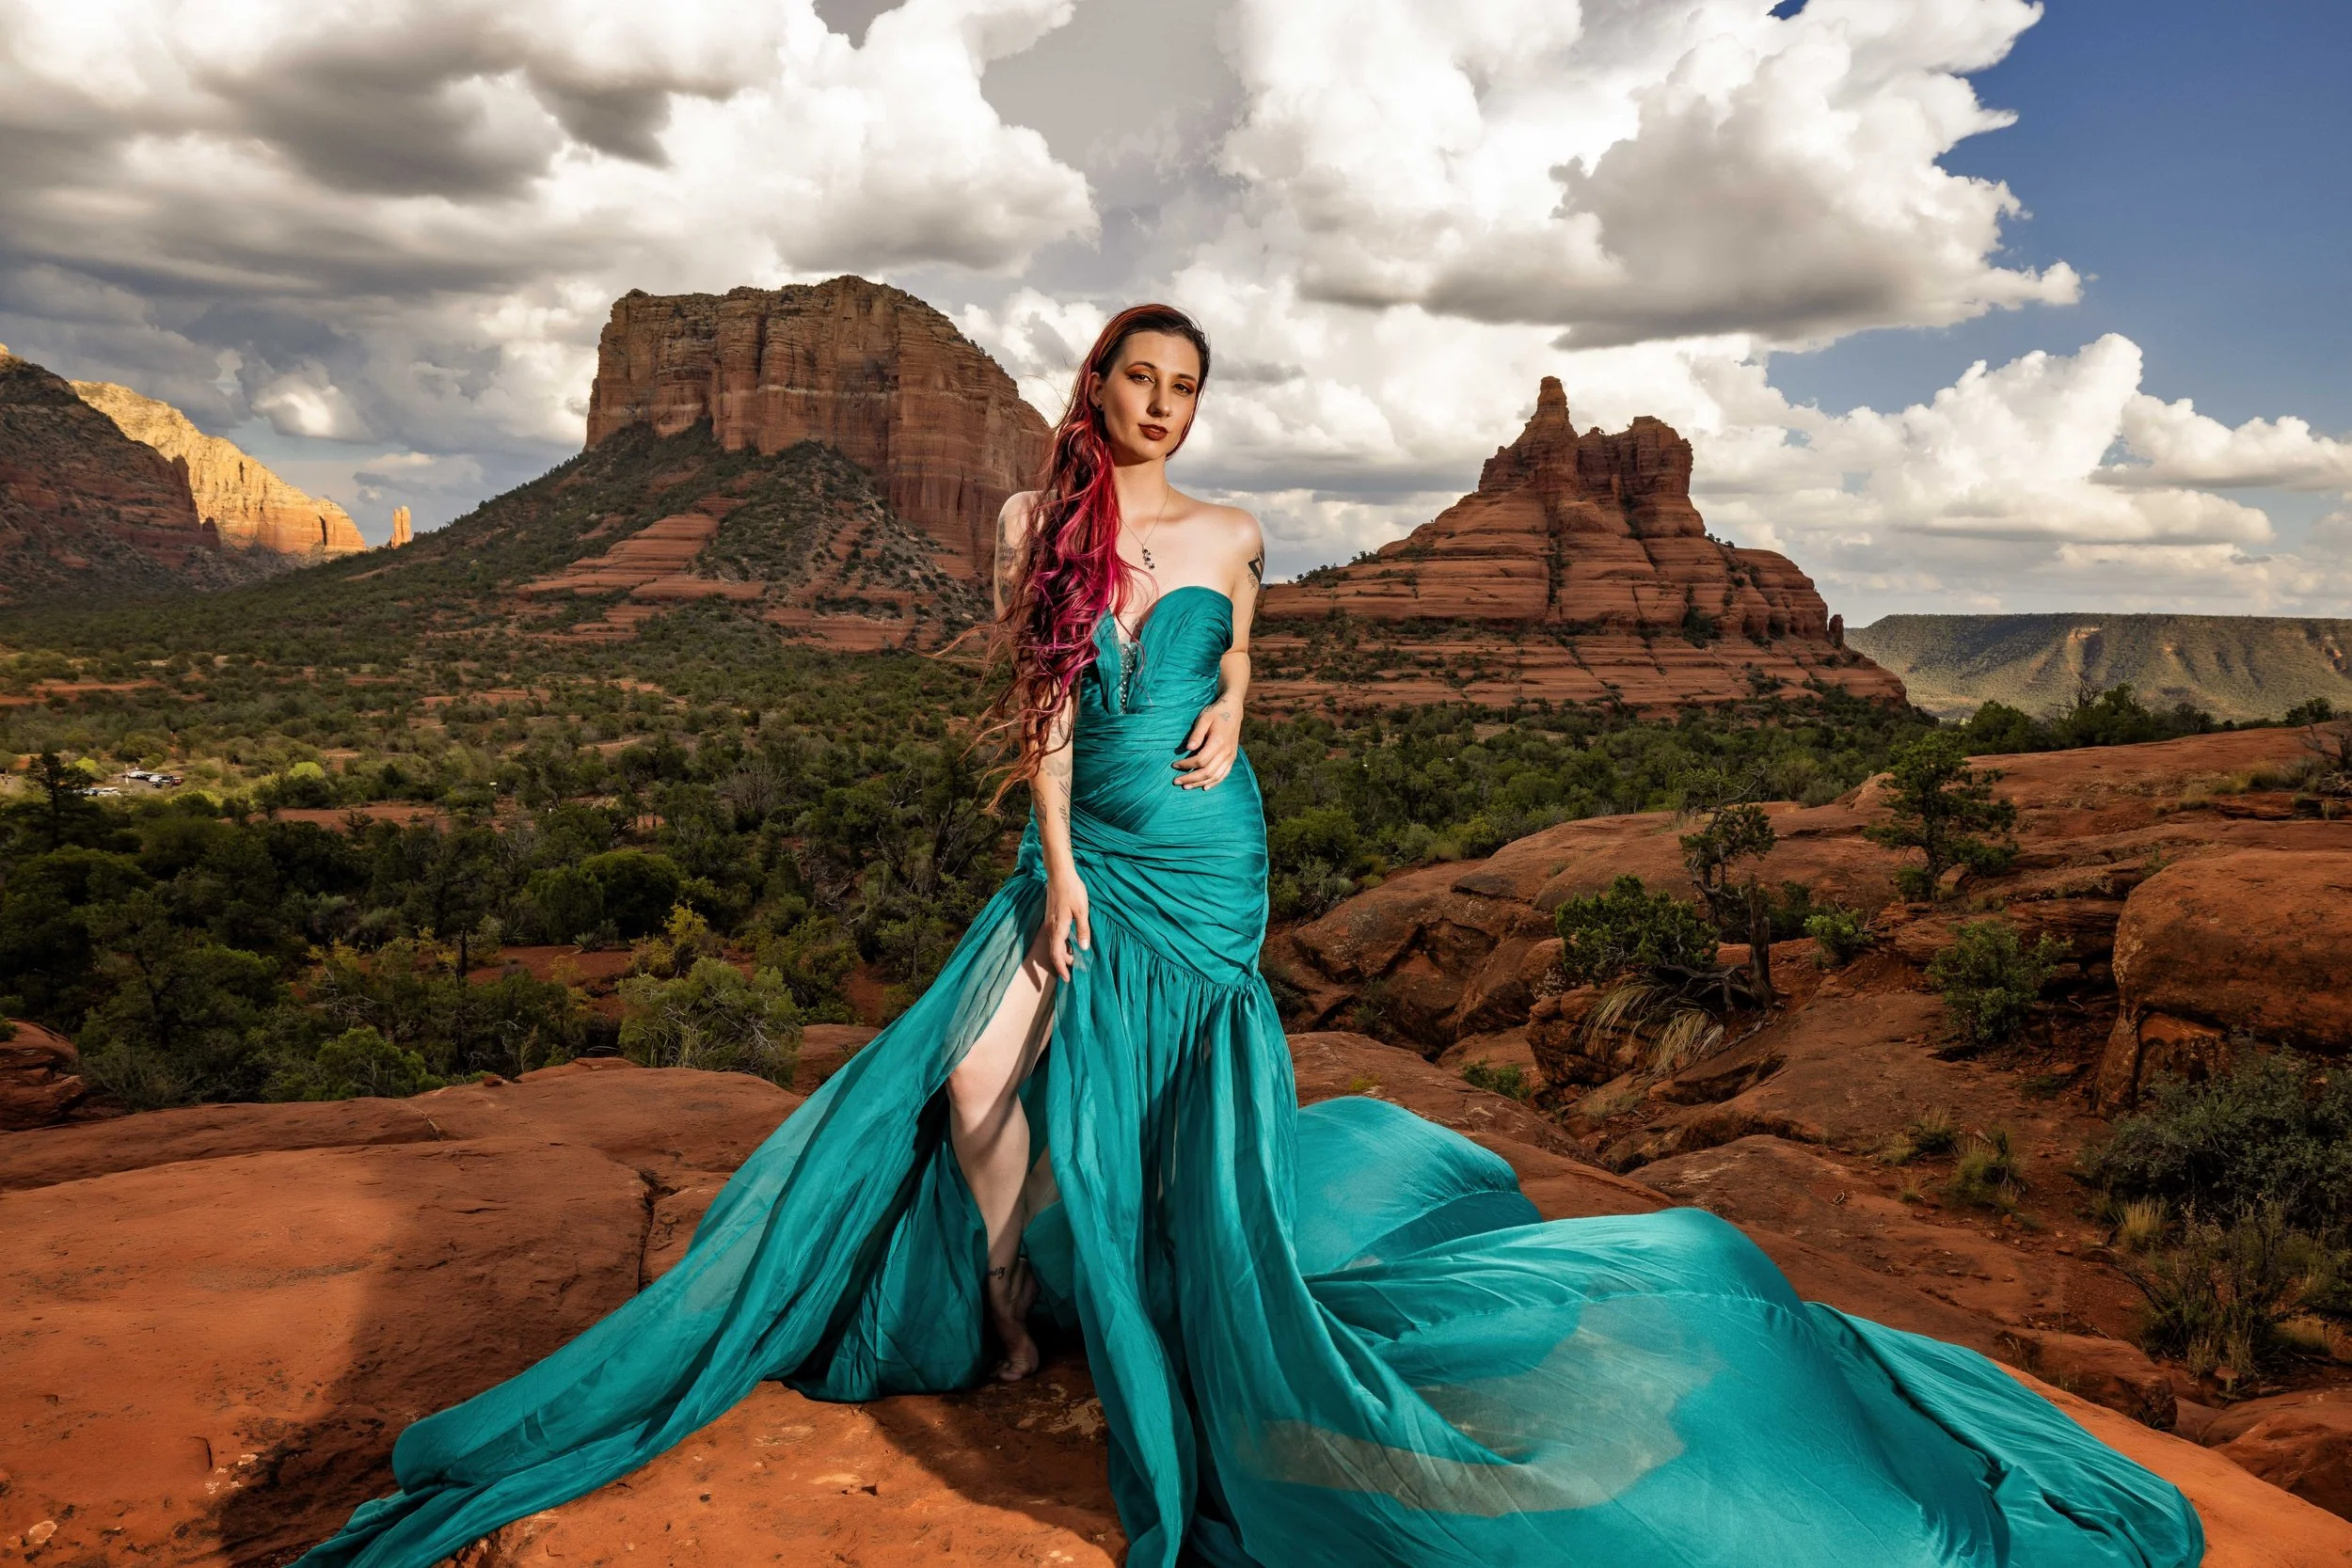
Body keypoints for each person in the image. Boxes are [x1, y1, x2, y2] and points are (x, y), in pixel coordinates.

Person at [296, 306, 2204, 1567]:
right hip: (1087, 847)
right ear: (1096, 389)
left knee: (1148, 1099)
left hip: (1210, 852)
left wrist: (1231, 714)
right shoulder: (1030, 525)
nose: (1163, 407)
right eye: (1142, 379)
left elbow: (1241, 671)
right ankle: (1015, 1309)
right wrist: (1054, 864)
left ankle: (1141, 1305)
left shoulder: (1234, 532)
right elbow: (1044, 710)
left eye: (1185, 387)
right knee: (976, 1078)